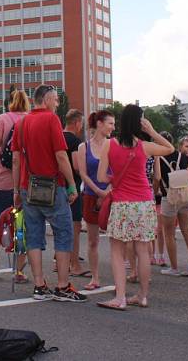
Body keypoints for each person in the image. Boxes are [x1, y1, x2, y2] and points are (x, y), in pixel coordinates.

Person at [95, 105, 174, 310]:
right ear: (140, 122)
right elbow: (170, 149)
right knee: (143, 251)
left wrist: (116, 179)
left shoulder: (109, 145)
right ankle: (142, 296)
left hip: (122, 203)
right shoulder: (145, 146)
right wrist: (152, 131)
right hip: (145, 203)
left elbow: (101, 177)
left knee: (117, 251)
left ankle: (120, 297)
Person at [12, 84, 86, 302]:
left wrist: (16, 190)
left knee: (33, 235)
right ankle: (63, 286)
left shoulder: (22, 122)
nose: (57, 104)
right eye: (55, 100)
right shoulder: (51, 120)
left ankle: (39, 285)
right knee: (64, 234)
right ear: (46, 99)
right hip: (53, 187)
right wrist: (72, 185)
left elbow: (16, 160)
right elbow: (61, 156)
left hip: (28, 187)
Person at [0, 89, 29, 282]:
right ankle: (19, 271)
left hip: (1, 178)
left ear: (8, 103)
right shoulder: (30, 119)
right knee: (20, 224)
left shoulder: (2, 119)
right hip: (23, 179)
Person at [75, 109, 115, 290]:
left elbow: (118, 171)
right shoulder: (84, 147)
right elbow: (83, 173)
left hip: (113, 196)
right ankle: (95, 277)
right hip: (91, 197)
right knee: (93, 240)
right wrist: (99, 191)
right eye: (110, 123)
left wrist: (107, 190)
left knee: (118, 240)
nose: (113, 128)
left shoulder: (114, 145)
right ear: (99, 124)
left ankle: (122, 276)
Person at [158, 135, 188, 277]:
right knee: (186, 229)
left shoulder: (159, 157)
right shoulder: (183, 157)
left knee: (169, 234)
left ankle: (174, 267)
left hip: (168, 197)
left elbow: (157, 178)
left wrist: (154, 192)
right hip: (184, 195)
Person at [62, 109, 88, 277]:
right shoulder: (75, 141)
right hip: (72, 188)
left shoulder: (57, 136)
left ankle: (60, 262)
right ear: (77, 123)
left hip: (56, 186)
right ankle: (74, 264)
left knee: (61, 227)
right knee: (74, 226)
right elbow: (77, 166)